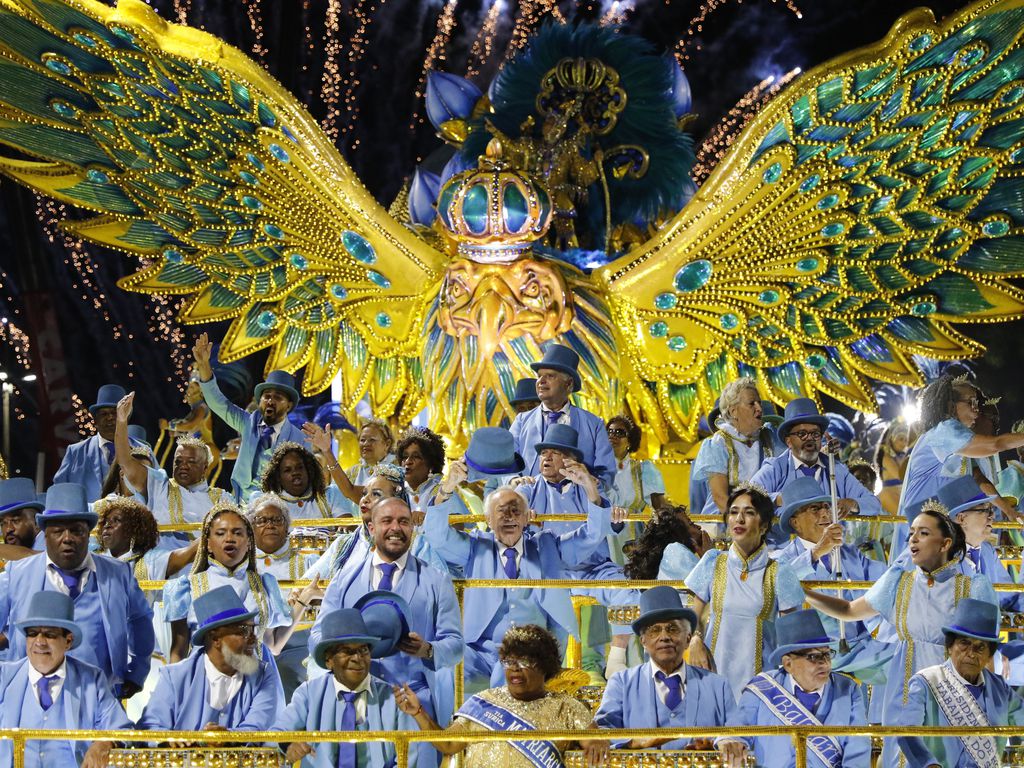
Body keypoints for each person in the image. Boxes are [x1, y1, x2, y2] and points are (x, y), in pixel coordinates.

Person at [803, 503, 998, 768]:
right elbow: (849, 610)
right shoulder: (899, 580)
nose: (913, 539)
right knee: (901, 755)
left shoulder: (973, 586)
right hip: (903, 683)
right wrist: (805, 592)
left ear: (945, 543)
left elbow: (985, 654)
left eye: (924, 533)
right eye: (912, 532)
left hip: (952, 686)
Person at [310, 497, 463, 766]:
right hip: (356, 700)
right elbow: (316, 637)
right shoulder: (343, 580)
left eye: (404, 521)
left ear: (412, 528)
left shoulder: (436, 580)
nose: (396, 528)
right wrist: (339, 654)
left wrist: (428, 649)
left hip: (416, 702)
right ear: (370, 527)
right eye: (387, 521)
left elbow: (456, 644)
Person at [424, 484, 610, 693]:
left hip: (533, 653)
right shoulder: (476, 546)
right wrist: (444, 492)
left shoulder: (547, 546)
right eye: (501, 511)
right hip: (480, 651)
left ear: (526, 518)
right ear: (488, 519)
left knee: (505, 676)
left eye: (515, 511)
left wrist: (591, 489)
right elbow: (436, 535)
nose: (509, 517)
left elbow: (592, 535)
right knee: (442, 674)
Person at [0, 482, 154, 698]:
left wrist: (137, 673)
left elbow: (141, 619)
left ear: (88, 532)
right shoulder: (16, 574)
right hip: (32, 696)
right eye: (58, 531)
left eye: (76, 530)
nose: (67, 538)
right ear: (45, 535)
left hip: (100, 696)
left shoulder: (118, 573)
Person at [395, 624, 609, 768]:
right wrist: (419, 713)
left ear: (544, 666)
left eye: (524, 662)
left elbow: (593, 741)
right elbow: (448, 745)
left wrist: (598, 743)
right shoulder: (484, 702)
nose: (514, 669)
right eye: (509, 662)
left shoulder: (567, 706)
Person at [685, 484, 805, 700]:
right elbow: (694, 616)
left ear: (764, 525)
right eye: (733, 512)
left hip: (762, 678)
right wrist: (694, 639)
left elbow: (791, 636)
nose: (739, 519)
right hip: (713, 669)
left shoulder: (779, 571)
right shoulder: (712, 562)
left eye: (749, 513)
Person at [163, 501, 316, 662]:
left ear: (249, 542)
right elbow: (178, 652)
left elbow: (274, 645)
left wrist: (305, 598)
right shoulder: (186, 588)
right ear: (207, 543)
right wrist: (176, 685)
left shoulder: (264, 585)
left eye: (237, 533)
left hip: (254, 680)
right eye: (221, 533)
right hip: (206, 682)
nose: (229, 539)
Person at [771, 478, 889, 679]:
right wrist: (816, 552)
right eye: (815, 509)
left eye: (827, 507)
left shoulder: (849, 552)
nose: (825, 513)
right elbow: (779, 580)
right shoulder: (782, 559)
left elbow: (884, 577)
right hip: (817, 652)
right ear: (795, 522)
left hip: (863, 645)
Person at [273, 607, 421, 767]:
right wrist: (287, 745)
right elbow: (276, 735)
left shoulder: (393, 697)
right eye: (347, 651)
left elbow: (408, 757)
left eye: (363, 650)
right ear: (329, 660)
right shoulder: (309, 693)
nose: (357, 658)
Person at [595, 586, 736, 751]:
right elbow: (600, 734)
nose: (664, 637)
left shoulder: (718, 686)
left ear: (688, 638)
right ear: (643, 642)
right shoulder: (621, 683)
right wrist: (634, 742)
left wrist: (717, 746)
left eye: (673, 629)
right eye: (655, 631)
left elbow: (736, 732)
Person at [0, 592, 130, 768]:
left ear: (68, 641)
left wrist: (104, 742)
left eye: (49, 634)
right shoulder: (4, 677)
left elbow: (121, 728)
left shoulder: (92, 679)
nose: (39, 642)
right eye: (32, 633)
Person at [726, 609, 870, 768]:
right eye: (814, 656)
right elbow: (736, 730)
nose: (825, 663)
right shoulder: (763, 687)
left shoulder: (848, 689)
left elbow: (858, 750)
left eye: (827, 654)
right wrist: (731, 742)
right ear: (788, 663)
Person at [895, 598, 1024, 767]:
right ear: (949, 647)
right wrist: (928, 764)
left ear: (989, 656)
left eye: (980, 647)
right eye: (964, 643)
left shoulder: (1000, 688)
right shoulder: (925, 682)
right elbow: (906, 733)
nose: (971, 653)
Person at [138, 585, 283, 732]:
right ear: (215, 638)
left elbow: (259, 728)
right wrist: (170, 741)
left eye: (253, 629)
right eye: (244, 631)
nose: (254, 639)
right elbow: (149, 727)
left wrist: (225, 737)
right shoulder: (174, 677)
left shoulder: (264, 674)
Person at [192, 331, 308, 499]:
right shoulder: (248, 423)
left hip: (278, 508)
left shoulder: (299, 439)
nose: (270, 401)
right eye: (267, 396)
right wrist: (203, 365)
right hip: (243, 505)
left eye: (277, 397)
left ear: (289, 405)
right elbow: (218, 403)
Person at [899, 374, 1024, 524]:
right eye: (971, 403)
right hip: (923, 526)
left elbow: (978, 480)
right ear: (950, 406)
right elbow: (995, 444)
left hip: (939, 524)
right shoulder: (943, 431)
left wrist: (1009, 511)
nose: (976, 411)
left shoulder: (958, 445)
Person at [114, 391, 226, 546]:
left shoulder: (221, 498)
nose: (183, 466)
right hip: (162, 565)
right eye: (178, 461)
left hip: (203, 566)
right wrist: (121, 421)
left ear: (205, 467)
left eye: (191, 461)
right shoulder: (159, 486)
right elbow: (125, 461)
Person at [305, 464, 449, 581]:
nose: (365, 499)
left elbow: (440, 587)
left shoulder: (417, 545)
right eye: (364, 493)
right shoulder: (343, 545)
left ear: (396, 501)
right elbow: (307, 582)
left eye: (376, 494)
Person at [748, 398, 882, 524]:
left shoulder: (836, 469)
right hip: (782, 547)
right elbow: (747, 498)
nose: (809, 438)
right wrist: (780, 499)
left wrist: (851, 503)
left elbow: (873, 503)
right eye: (802, 434)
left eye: (815, 434)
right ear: (788, 441)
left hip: (828, 547)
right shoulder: (775, 467)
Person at [509, 344, 616, 487]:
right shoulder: (522, 421)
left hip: (577, 507)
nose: (541, 381)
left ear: (569, 383)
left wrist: (593, 485)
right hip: (530, 506)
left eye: (550, 376)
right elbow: (506, 461)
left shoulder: (593, 424)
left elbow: (606, 473)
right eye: (539, 376)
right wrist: (513, 480)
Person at [247, 492, 321, 698]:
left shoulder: (308, 560)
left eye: (276, 520)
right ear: (251, 528)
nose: (270, 525)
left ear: (287, 526)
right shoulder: (245, 564)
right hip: (257, 647)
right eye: (262, 520)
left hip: (299, 648)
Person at [691, 378, 781, 515]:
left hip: (762, 520)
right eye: (752, 404)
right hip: (726, 521)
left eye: (759, 403)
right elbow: (720, 498)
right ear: (733, 411)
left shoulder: (769, 438)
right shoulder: (718, 443)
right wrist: (745, 523)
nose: (759, 408)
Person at [935, 476, 1023, 611]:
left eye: (991, 509)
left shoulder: (987, 551)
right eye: (984, 510)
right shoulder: (943, 559)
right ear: (961, 518)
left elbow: (1011, 600)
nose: (992, 515)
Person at [54, 383, 150, 502]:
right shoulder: (75, 452)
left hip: (133, 518)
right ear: (95, 420)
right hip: (88, 519)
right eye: (104, 414)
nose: (109, 418)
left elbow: (158, 490)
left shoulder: (144, 450)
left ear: (126, 416)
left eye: (115, 413)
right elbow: (59, 491)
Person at [259, 440, 349, 517]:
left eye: (300, 467)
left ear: (308, 470)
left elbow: (347, 528)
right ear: (278, 477)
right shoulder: (266, 502)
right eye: (287, 470)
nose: (295, 473)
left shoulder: (331, 495)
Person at [396, 427, 447, 517]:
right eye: (404, 457)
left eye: (416, 456)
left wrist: (426, 519)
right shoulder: (396, 492)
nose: (408, 461)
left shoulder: (444, 491)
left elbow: (458, 526)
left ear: (431, 464)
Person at [875, 418, 913, 514]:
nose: (903, 443)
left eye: (906, 440)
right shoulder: (886, 458)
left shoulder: (903, 457)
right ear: (892, 438)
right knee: (903, 520)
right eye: (900, 439)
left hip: (900, 495)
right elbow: (901, 475)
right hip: (888, 495)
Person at [0, 477, 43, 560]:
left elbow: (39, 558)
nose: (8, 529)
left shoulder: (49, 541)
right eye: (3, 523)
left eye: (15, 520)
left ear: (36, 522)